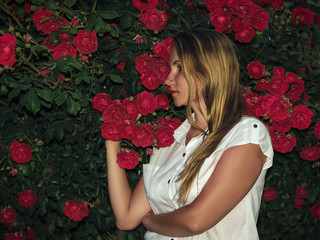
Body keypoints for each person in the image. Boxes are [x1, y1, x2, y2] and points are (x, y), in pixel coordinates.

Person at [105, 29, 274, 240]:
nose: (168, 79)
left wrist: (149, 221)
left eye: (179, 68)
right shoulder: (171, 139)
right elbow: (127, 218)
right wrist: (113, 142)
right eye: (170, 68)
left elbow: (194, 221)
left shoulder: (245, 134)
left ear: (208, 70)